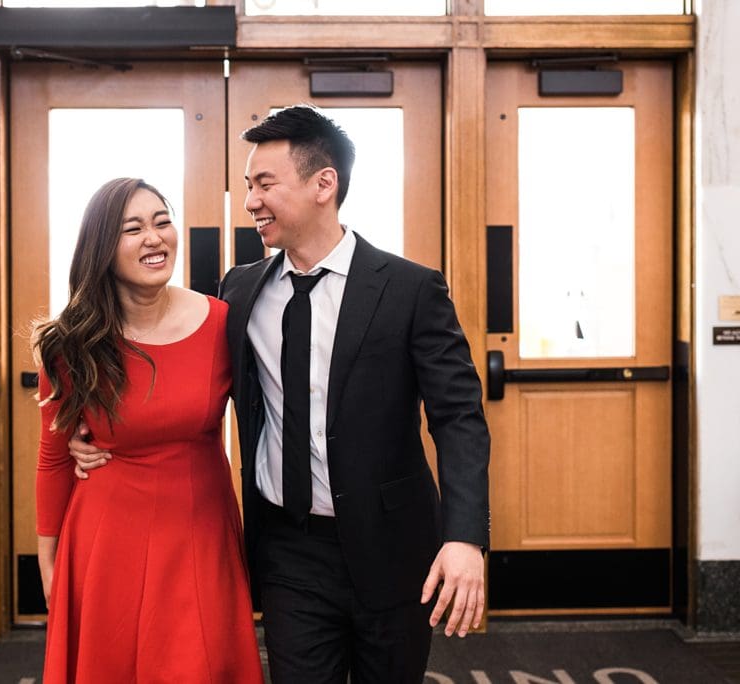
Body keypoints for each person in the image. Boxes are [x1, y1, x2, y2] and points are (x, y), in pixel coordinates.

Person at [73, 106, 490, 683]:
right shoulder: (238, 293)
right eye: (248, 186)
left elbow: (459, 418)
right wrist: (93, 426)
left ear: (324, 184)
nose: (250, 201)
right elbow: (174, 375)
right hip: (289, 551)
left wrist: (466, 536)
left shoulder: (411, 290)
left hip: (392, 547)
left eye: (264, 184)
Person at [32, 177, 264, 684]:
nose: (154, 238)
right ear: (101, 248)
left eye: (162, 222)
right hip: (106, 539)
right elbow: (52, 457)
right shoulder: (70, 342)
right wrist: (50, 567)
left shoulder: (222, 322)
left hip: (199, 532)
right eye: (132, 229)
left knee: (196, 663)